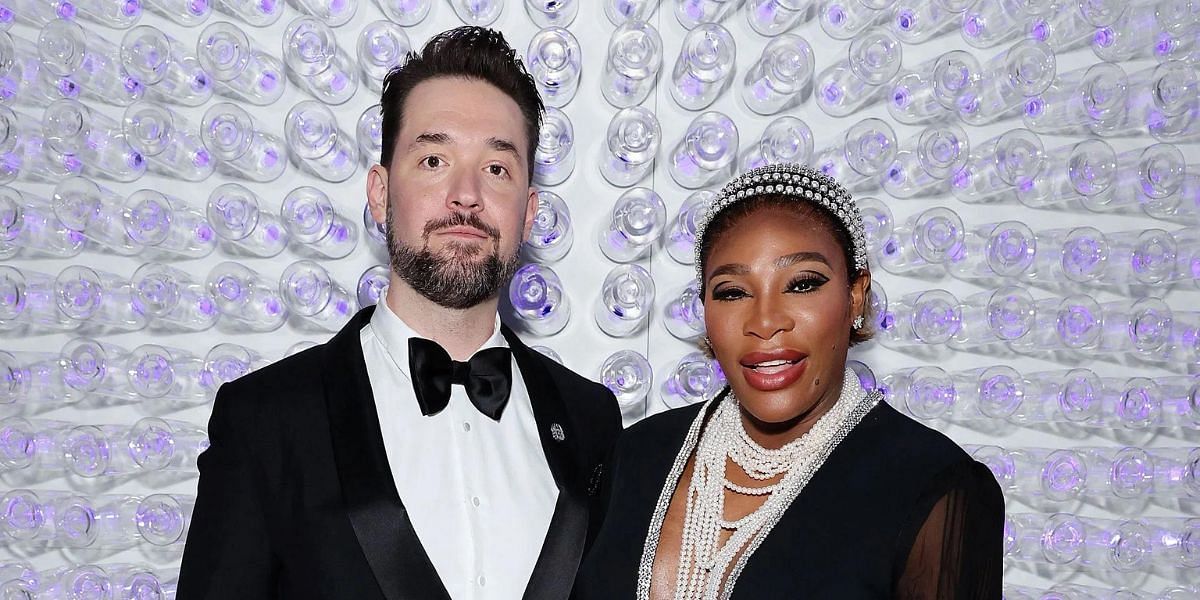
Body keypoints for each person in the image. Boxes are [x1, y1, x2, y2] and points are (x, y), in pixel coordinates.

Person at [178, 27, 621, 600]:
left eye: (496, 169)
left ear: (529, 212)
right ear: (381, 194)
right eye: (434, 159)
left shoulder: (592, 421)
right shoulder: (265, 421)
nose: (466, 194)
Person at [575, 163, 1004, 599]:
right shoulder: (636, 456)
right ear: (704, 308)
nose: (765, 322)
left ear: (856, 294)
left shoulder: (934, 486)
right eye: (732, 292)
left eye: (801, 285)